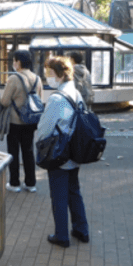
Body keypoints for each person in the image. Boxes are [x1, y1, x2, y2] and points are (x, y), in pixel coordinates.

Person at [37, 55, 89, 248]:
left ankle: (62, 235)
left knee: (58, 195)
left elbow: (45, 128)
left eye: (48, 73)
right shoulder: (76, 93)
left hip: (59, 153)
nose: (47, 76)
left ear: (57, 74)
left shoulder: (57, 98)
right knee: (74, 191)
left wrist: (39, 144)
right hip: (75, 151)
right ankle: (81, 230)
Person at [0, 50, 42, 193]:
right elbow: (39, 101)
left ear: (18, 62)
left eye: (14, 60)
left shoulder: (13, 78)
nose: (13, 63)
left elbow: (4, 102)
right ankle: (31, 183)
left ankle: (15, 183)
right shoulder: (37, 78)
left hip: (15, 122)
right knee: (28, 151)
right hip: (31, 121)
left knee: (13, 152)